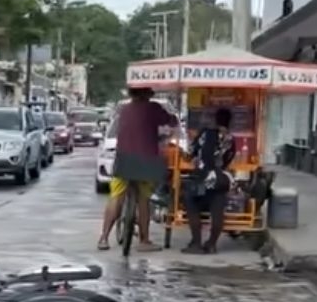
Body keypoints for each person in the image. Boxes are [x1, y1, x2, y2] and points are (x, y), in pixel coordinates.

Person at [97, 87, 178, 252]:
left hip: (123, 158)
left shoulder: (124, 109)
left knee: (116, 197)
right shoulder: (153, 107)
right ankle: (144, 240)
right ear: (147, 94)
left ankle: (104, 238)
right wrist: (172, 117)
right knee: (144, 199)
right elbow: (171, 121)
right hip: (146, 160)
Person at [182, 107, 238, 254]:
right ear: (229, 122)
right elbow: (228, 159)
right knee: (217, 209)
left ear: (215, 119)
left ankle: (196, 243)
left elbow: (190, 154)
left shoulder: (205, 133)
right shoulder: (231, 139)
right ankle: (212, 244)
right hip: (221, 178)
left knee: (190, 201)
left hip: (202, 175)